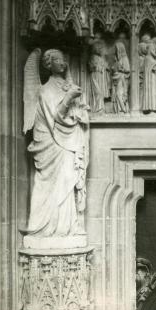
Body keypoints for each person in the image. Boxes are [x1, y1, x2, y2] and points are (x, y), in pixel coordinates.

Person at [25, 49, 89, 239]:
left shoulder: (66, 85)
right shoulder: (45, 90)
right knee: (54, 182)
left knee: (68, 181)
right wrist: (69, 97)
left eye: (64, 59)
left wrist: (80, 109)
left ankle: (66, 228)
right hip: (53, 143)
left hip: (67, 142)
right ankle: (45, 227)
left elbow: (77, 114)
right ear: (48, 64)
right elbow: (56, 117)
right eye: (58, 60)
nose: (63, 63)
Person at [142, 41, 156, 113]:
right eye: (153, 49)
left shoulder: (153, 59)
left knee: (155, 94)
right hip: (150, 82)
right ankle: (151, 109)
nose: (154, 51)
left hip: (155, 81)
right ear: (150, 49)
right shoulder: (147, 58)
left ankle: (155, 109)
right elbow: (152, 68)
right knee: (152, 95)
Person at [88, 40, 109, 113]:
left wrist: (105, 66)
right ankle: (97, 108)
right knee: (97, 92)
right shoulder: (93, 57)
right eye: (101, 49)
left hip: (101, 77)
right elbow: (91, 67)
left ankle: (100, 108)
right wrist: (97, 67)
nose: (102, 51)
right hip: (95, 76)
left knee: (101, 93)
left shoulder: (101, 58)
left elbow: (105, 67)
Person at [112, 42, 130, 114]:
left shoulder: (124, 58)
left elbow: (127, 70)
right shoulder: (118, 59)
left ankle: (124, 110)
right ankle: (120, 110)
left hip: (122, 79)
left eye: (117, 50)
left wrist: (120, 69)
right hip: (117, 78)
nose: (116, 51)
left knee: (120, 94)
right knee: (117, 94)